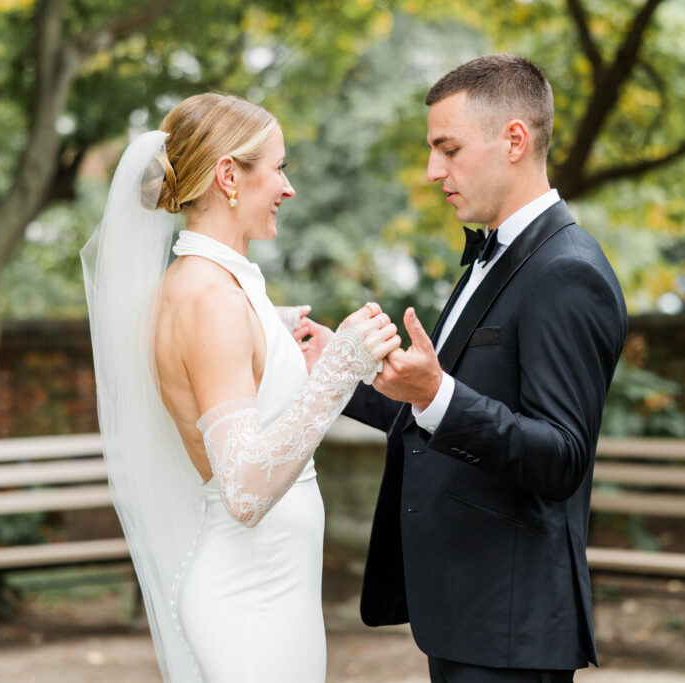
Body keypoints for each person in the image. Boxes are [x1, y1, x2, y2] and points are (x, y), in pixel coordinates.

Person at [299, 54, 628, 681]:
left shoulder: (567, 272)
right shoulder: (493, 255)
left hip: (509, 620)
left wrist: (439, 393)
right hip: (463, 609)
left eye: (447, 149)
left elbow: (560, 456)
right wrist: (338, 371)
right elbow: (437, 407)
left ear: (514, 139)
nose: (432, 171)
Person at [81, 93, 399, 682]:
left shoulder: (213, 288)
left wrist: (273, 342)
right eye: (278, 167)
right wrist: (337, 372)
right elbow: (246, 490)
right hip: (250, 600)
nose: (287, 187)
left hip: (271, 589)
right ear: (229, 175)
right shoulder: (210, 299)